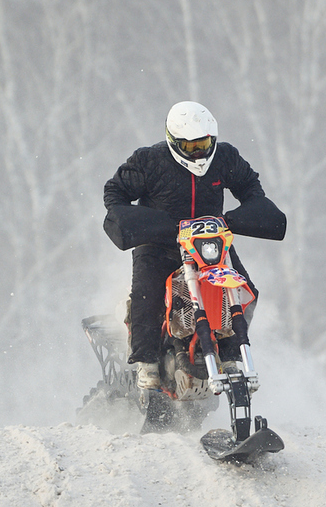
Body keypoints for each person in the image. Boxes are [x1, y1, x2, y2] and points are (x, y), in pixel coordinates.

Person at [102, 101, 286, 391]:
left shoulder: (225, 157)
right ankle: (147, 362)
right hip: (160, 243)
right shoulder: (149, 161)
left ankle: (231, 354)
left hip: (210, 244)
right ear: (173, 141)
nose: (199, 152)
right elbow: (115, 192)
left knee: (244, 289)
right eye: (191, 146)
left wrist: (245, 214)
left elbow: (250, 186)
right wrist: (140, 221)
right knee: (146, 295)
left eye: (204, 144)